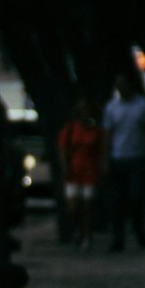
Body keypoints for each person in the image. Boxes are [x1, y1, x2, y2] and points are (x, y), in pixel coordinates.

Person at [101, 72, 145, 252]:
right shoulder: (112, 107)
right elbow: (107, 134)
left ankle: (138, 227)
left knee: (136, 197)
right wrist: (106, 159)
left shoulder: (142, 106)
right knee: (117, 199)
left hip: (137, 157)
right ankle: (118, 238)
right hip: (119, 157)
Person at [57, 97, 102, 249]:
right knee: (73, 207)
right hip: (73, 172)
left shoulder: (95, 130)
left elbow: (99, 151)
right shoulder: (70, 129)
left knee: (87, 206)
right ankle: (78, 230)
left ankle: (87, 235)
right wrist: (65, 169)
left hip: (89, 172)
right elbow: (63, 149)